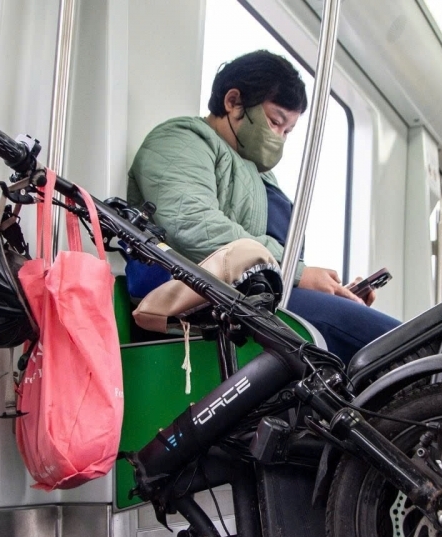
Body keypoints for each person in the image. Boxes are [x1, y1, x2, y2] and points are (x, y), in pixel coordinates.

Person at [127, 50, 400, 363]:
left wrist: (331, 290)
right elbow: (191, 224)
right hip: (219, 300)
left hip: (260, 294)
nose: (280, 138)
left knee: (381, 342)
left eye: (288, 131)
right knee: (388, 343)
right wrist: (297, 274)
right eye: (275, 122)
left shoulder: (257, 173)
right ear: (233, 102)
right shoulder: (182, 140)